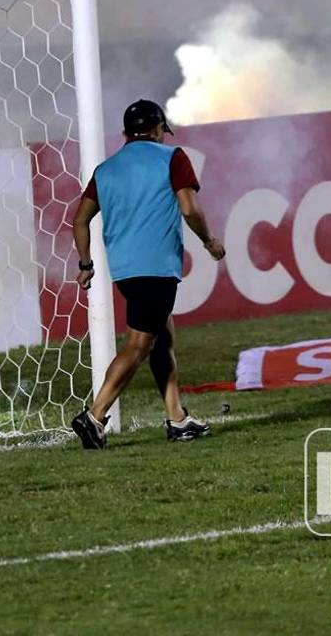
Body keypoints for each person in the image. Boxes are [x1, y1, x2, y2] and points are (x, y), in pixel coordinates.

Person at [70, 99, 226, 449]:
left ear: (126, 133)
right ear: (158, 130)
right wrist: (209, 241)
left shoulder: (106, 169)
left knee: (162, 336)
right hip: (156, 266)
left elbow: (80, 220)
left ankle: (177, 419)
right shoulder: (173, 158)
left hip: (123, 269)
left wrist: (85, 264)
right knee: (139, 345)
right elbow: (190, 207)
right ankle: (94, 417)